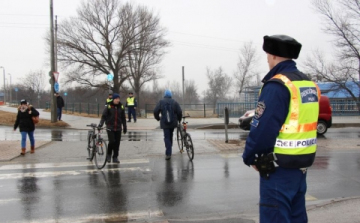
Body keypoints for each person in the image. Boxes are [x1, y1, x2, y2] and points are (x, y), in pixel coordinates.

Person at [242, 35, 320, 223]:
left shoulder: (277, 85)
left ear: (274, 56)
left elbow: (263, 129)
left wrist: (250, 156)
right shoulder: (307, 84)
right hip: (301, 167)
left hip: (278, 169)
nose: (267, 60)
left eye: (268, 55)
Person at [153, 90, 182, 160]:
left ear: (165, 95)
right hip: (173, 122)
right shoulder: (174, 102)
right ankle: (169, 149)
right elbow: (179, 111)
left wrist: (158, 118)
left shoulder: (161, 102)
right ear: (171, 95)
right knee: (170, 135)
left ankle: (168, 153)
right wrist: (179, 119)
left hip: (164, 122)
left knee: (166, 137)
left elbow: (155, 111)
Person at [98, 93, 127, 163]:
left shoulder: (121, 106)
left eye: (118, 99)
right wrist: (101, 124)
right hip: (110, 127)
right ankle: (109, 154)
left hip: (118, 127)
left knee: (117, 143)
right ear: (113, 99)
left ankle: (115, 157)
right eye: (116, 99)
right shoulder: (109, 106)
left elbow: (123, 117)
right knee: (112, 141)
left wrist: (125, 126)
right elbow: (104, 116)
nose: (118, 100)